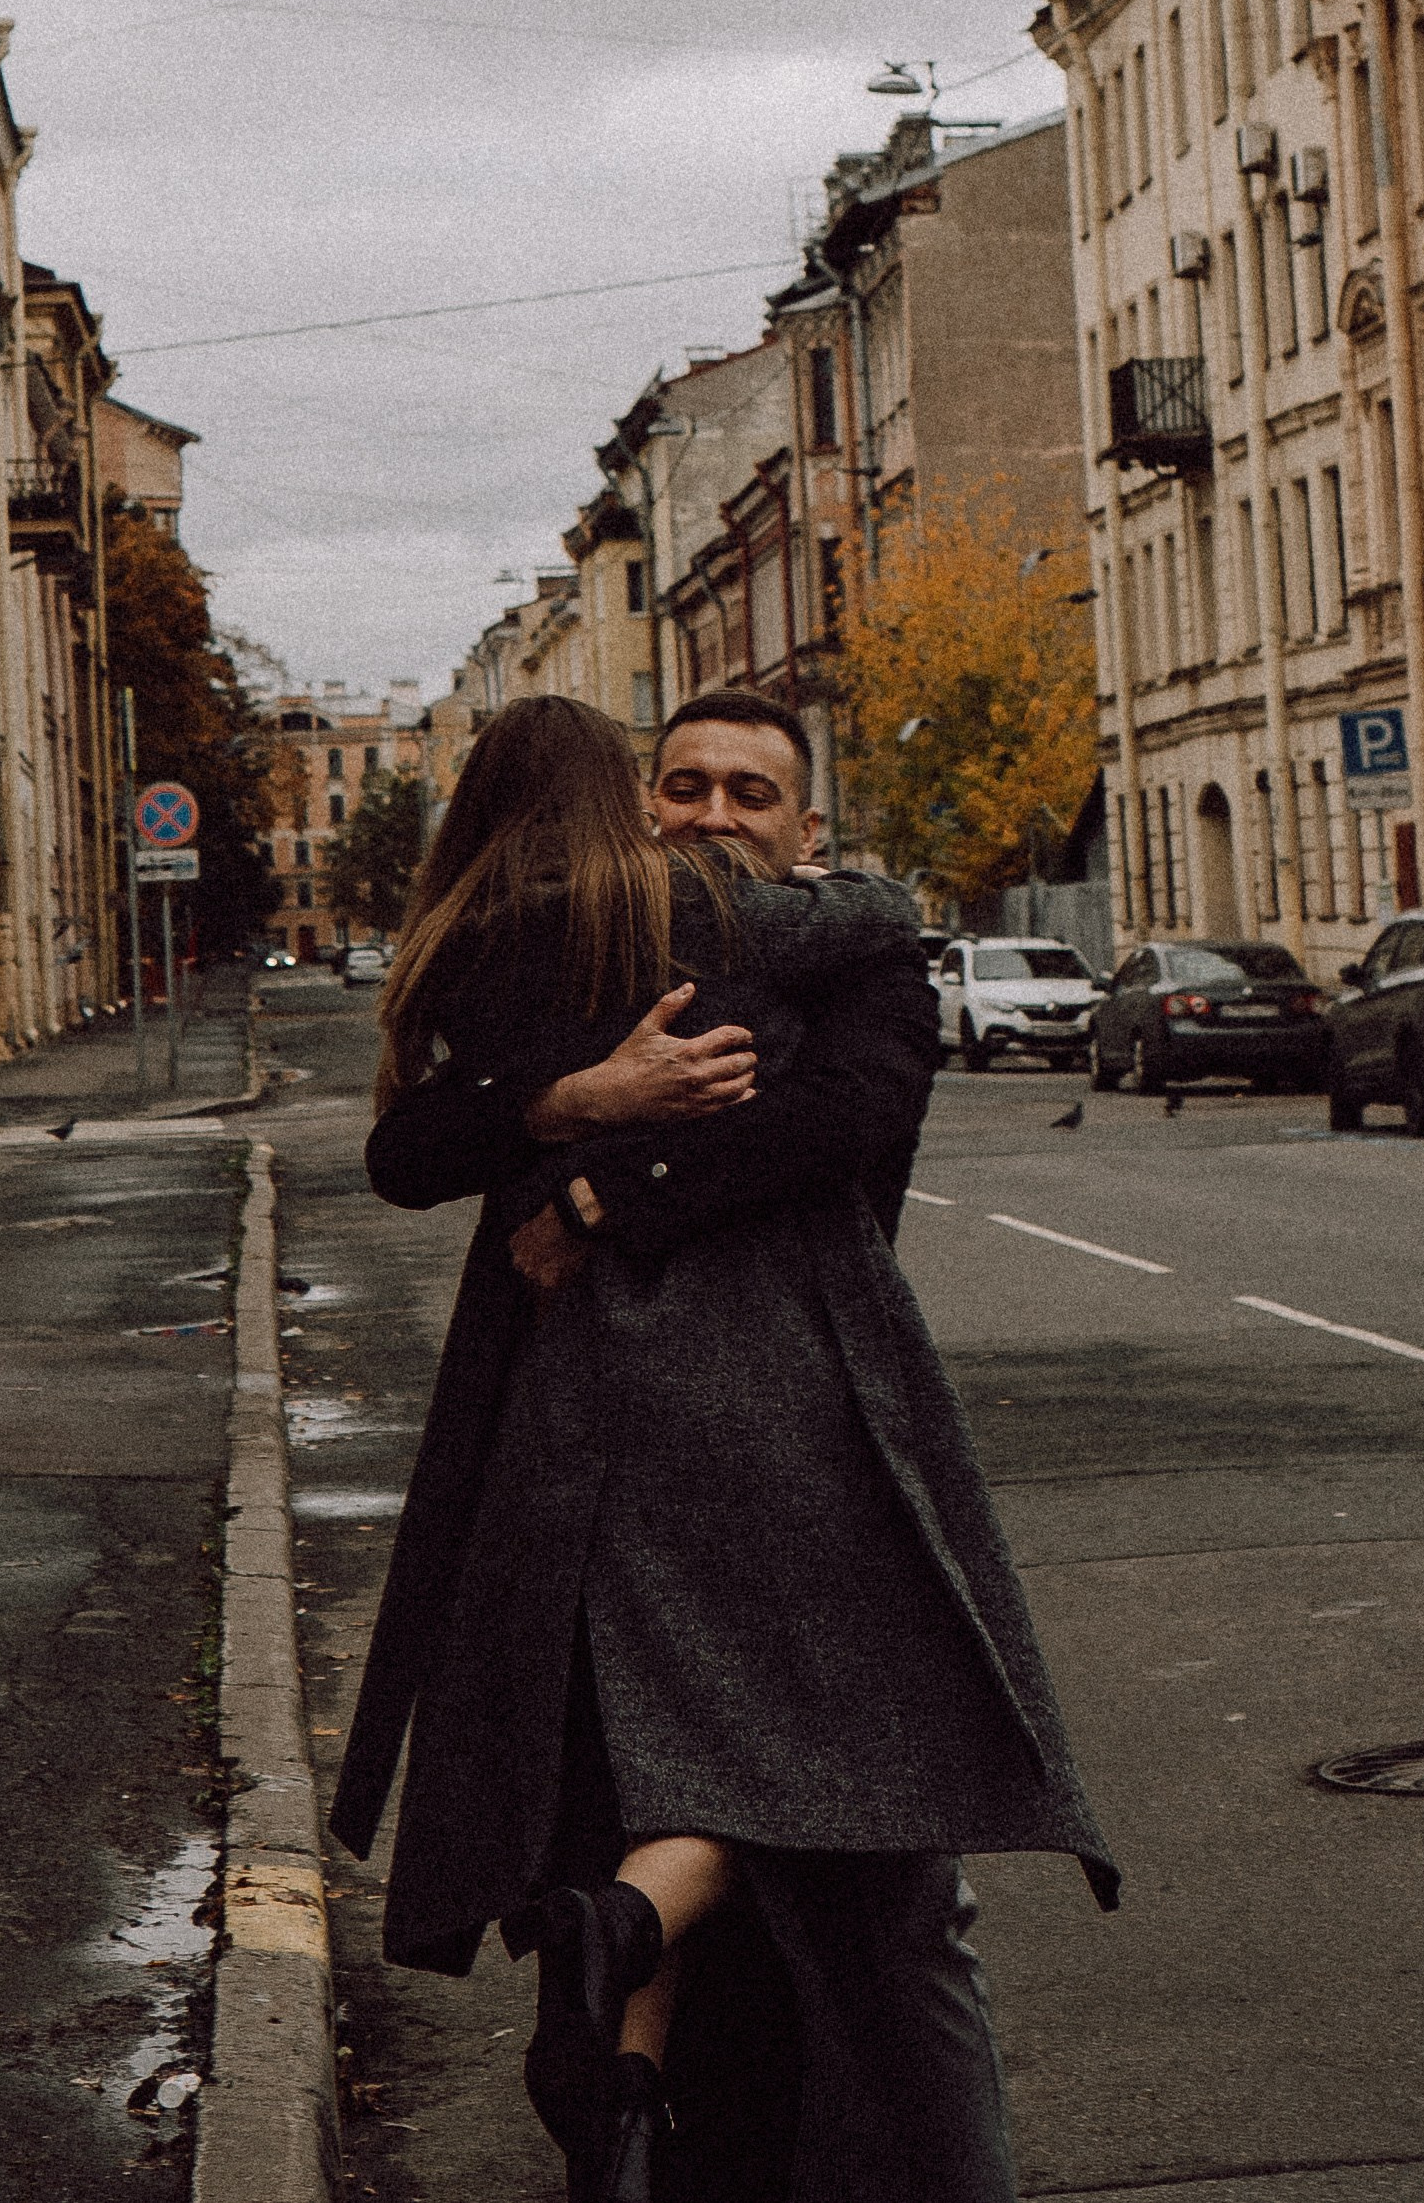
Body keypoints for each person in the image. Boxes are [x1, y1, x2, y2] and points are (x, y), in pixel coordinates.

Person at [331, 689, 1115, 2202]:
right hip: (746, 1430)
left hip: (672, 1436)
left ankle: (622, 2044)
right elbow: (418, 1149)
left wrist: (594, 1181)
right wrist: (581, 1101)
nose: (708, 814)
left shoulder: (727, 941)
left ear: (804, 825)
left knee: (735, 1819)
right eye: (677, 784)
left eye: (746, 790)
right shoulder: (763, 939)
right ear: (630, 808)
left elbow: (848, 1107)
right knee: (860, 1826)